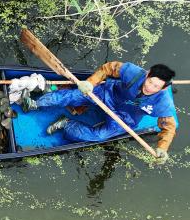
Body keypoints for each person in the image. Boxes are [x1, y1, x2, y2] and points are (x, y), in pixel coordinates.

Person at [21, 62, 176, 161]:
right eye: (150, 82)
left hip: (124, 117)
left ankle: (67, 123)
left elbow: (168, 127)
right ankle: (36, 103)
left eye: (156, 86)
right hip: (107, 94)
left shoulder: (163, 103)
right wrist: (90, 83)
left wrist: (162, 148)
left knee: (98, 136)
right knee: (75, 95)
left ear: (164, 88)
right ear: (147, 74)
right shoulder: (133, 73)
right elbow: (108, 68)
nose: (150, 87)